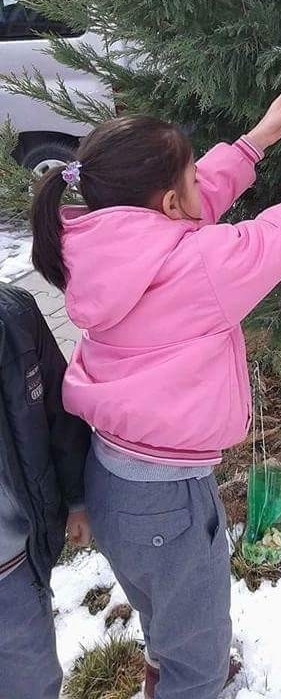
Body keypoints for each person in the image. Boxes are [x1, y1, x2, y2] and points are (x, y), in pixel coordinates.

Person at [30, 89, 281, 699]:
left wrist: (255, 141)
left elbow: (191, 198)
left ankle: (172, 667)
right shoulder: (199, 265)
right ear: (165, 201)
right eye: (187, 178)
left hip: (112, 482)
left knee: (168, 614)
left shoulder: (95, 242)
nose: (196, 190)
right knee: (199, 655)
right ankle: (190, 681)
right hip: (167, 502)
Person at [0, 285, 91, 699]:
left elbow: (60, 411)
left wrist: (76, 500)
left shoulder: (17, 316)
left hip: (14, 568)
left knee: (35, 683)